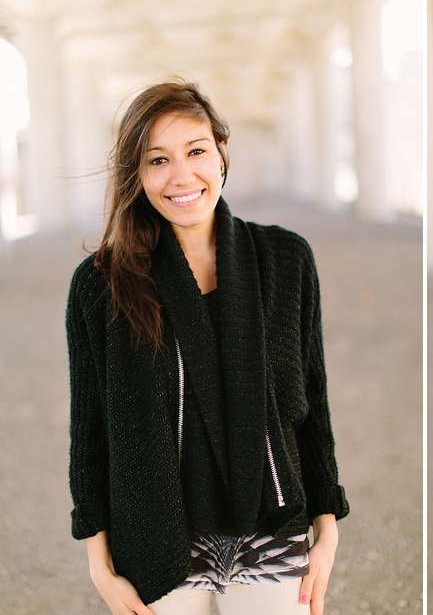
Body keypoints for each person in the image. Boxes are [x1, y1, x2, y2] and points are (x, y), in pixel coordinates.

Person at [66, 81, 349, 615]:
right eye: (158, 160)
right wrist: (99, 567)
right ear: (137, 176)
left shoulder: (284, 259)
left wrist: (326, 530)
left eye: (196, 151)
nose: (182, 176)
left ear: (221, 152)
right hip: (155, 538)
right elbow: (90, 431)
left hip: (271, 525)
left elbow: (311, 405)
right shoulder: (102, 284)